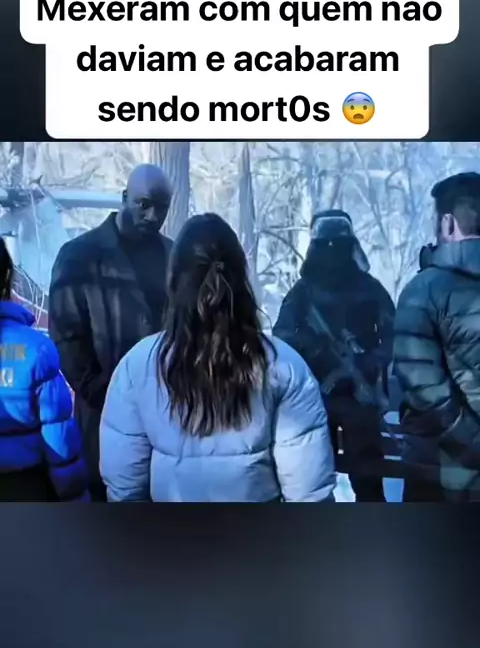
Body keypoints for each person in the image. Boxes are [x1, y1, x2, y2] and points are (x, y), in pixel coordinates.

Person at [99, 213, 336, 503]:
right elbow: (308, 493)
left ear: (174, 281)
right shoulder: (283, 367)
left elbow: (124, 487)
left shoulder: (139, 366)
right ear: (242, 280)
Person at [48, 164, 173, 501]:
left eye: (162, 207)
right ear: (124, 198)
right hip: (101, 417)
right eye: (143, 204)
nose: (152, 216)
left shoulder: (175, 257)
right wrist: (107, 394)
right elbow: (66, 338)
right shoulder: (79, 257)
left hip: (168, 419)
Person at [273, 209, 395, 502]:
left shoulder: (369, 288)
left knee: (366, 484)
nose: (332, 255)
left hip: (356, 398)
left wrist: (369, 361)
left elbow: (395, 336)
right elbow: (282, 336)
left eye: (337, 247)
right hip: (317, 397)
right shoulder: (304, 292)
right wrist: (316, 349)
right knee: (314, 483)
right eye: (326, 247)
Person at [394, 172, 480, 502]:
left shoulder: (423, 290)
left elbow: (423, 388)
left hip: (442, 470)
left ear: (447, 223)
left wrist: (472, 440)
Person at [0, 239, 88, 501]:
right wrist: (75, 501)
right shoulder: (36, 349)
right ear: (7, 276)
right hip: (23, 490)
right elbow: (59, 441)